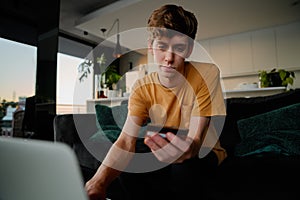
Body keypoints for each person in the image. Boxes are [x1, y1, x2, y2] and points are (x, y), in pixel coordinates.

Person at [85, 4, 227, 200]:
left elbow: (194, 141)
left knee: (183, 171)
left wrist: (188, 148)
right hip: (163, 140)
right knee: (131, 164)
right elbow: (126, 141)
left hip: (202, 149)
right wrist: (97, 183)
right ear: (151, 47)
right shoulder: (142, 87)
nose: (169, 58)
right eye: (162, 47)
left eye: (178, 48)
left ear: (189, 49)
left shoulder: (207, 73)